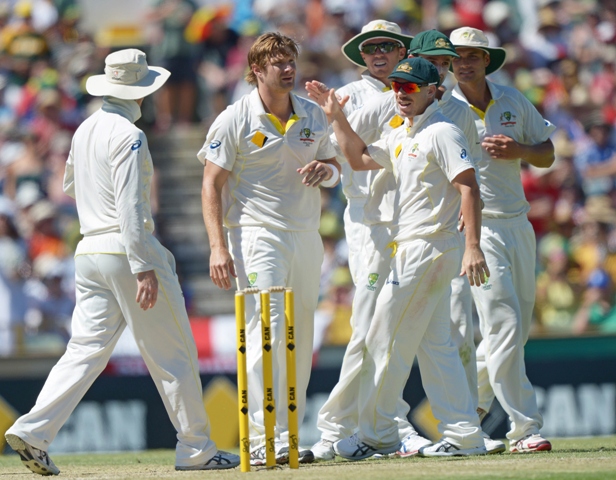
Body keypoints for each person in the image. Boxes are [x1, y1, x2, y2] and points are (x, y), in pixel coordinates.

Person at [4, 49, 240, 476]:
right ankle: (197, 449)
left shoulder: (84, 129)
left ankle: (34, 429)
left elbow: (72, 187)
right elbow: (131, 206)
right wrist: (141, 264)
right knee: (174, 355)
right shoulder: (130, 135)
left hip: (89, 249)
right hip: (126, 249)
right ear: (141, 91)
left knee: (85, 350)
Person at [308, 29, 505, 460]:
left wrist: (472, 245)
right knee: (436, 346)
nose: (400, 93)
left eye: (410, 86)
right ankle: (464, 434)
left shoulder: (442, 132)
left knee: (381, 337)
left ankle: (375, 434)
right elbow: (359, 159)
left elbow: (470, 188)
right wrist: (336, 117)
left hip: (429, 247)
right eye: (397, 86)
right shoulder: (404, 132)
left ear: (433, 90)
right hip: (413, 246)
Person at [198, 32, 340, 466]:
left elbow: (336, 168)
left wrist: (326, 171)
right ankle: (262, 436)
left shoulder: (313, 114)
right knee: (268, 329)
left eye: (290, 60)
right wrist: (217, 247)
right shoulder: (234, 118)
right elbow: (211, 184)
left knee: (301, 333)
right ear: (256, 70)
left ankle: (289, 433)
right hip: (256, 235)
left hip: (305, 235)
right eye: (277, 62)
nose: (288, 69)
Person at [450, 26, 556, 453]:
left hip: (518, 224)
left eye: (473, 55)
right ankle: (524, 427)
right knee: (503, 324)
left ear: (486, 60)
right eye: (458, 56)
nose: (465, 62)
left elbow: (547, 153)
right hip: (477, 229)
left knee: (513, 331)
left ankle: (466, 409)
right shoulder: (443, 108)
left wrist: (521, 152)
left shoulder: (511, 99)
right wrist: (470, 239)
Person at [334, 20, 412, 285]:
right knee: (371, 300)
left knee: (413, 303)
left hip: (412, 208)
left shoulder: (420, 92)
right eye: (371, 48)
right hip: (366, 211)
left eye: (386, 45)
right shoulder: (347, 96)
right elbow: (332, 149)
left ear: (401, 53)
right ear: (363, 56)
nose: (379, 53)